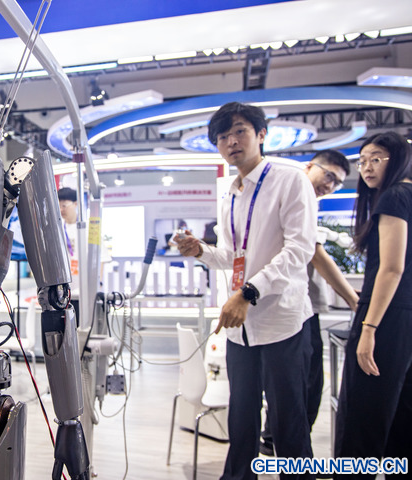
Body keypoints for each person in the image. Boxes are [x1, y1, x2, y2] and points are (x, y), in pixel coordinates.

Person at [175, 101, 317, 480]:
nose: (231, 142)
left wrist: (249, 293)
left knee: (287, 420)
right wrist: (200, 250)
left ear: (261, 134)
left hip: (281, 321)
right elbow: (233, 256)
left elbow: (299, 250)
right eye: (222, 137)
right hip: (241, 328)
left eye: (239, 131)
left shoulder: (289, 180)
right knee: (241, 418)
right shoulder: (231, 193)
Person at [260, 149, 360, 456]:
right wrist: (353, 299)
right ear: (309, 167)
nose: (330, 185)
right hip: (294, 307)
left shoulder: (305, 199)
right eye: (328, 175)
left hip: (302, 306)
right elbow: (316, 254)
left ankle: (276, 443)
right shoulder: (296, 194)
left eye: (337, 183)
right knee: (302, 388)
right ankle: (282, 448)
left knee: (302, 385)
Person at [334, 131, 412, 474]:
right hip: (405, 317)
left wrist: (369, 328)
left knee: (361, 420)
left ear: (397, 159)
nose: (366, 167)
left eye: (376, 158)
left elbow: (392, 268)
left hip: (387, 319)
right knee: (400, 419)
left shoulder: (394, 196)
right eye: (362, 160)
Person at [58, 187, 79, 296]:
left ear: (75, 204)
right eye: (59, 206)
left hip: (83, 286)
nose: (61, 209)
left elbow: (101, 259)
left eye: (64, 205)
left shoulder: (87, 228)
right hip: (63, 288)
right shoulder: (58, 228)